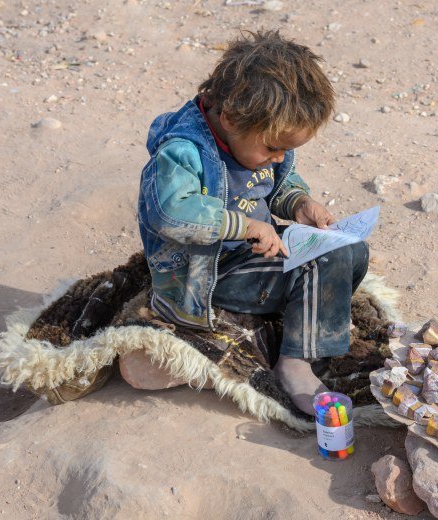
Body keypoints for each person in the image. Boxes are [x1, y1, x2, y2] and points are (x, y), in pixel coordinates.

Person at [136, 30, 369, 416]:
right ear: (229, 118)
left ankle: (307, 331)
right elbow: (170, 213)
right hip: (208, 273)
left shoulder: (259, 140)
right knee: (322, 263)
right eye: (273, 148)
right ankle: (295, 363)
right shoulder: (183, 150)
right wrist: (244, 226)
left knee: (351, 250)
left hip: (255, 254)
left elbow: (277, 184)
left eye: (286, 150)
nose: (278, 158)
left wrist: (300, 204)